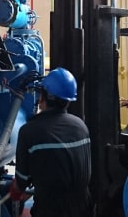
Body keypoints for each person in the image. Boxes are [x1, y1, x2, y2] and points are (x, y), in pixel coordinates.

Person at [10, 68, 93, 217]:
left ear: (43, 97)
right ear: (69, 100)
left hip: (50, 211)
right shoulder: (81, 126)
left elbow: (20, 184)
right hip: (83, 209)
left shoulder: (29, 131)